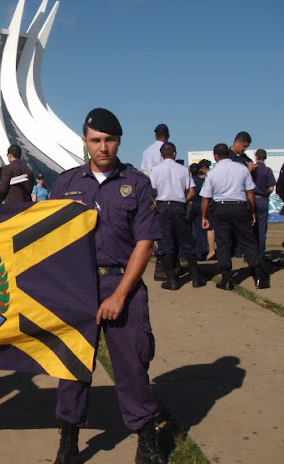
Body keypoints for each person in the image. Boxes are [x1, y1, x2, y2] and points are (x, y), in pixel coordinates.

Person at [50, 108, 166, 464]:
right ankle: (68, 439)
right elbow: (49, 242)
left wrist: (119, 295)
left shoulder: (137, 183)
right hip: (77, 288)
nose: (103, 147)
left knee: (132, 366)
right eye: (96, 140)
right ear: (84, 142)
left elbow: (145, 243)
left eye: (109, 140)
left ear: (119, 140)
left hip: (122, 284)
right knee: (72, 368)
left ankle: (146, 438)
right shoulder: (65, 185)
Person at [200, 143, 269, 290]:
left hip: (220, 208)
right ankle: (259, 276)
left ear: (215, 156)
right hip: (239, 206)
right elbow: (250, 192)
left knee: (223, 242)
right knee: (248, 241)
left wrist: (204, 216)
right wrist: (251, 211)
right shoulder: (242, 169)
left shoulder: (212, 173)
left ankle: (226, 279)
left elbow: (205, 198)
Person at [149, 142, 205, 289]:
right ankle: (195, 277)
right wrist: (181, 200)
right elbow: (192, 191)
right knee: (186, 241)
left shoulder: (155, 170)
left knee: (166, 244)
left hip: (162, 207)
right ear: (174, 153)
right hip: (179, 207)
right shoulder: (183, 169)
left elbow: (151, 191)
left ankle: (172, 280)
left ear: (161, 155)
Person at [252, 149, 276, 258]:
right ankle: (260, 253)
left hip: (252, 199)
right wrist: (265, 193)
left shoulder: (252, 169)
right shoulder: (268, 170)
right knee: (262, 228)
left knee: (251, 227)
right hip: (263, 199)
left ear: (256, 157)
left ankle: (251, 253)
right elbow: (271, 187)